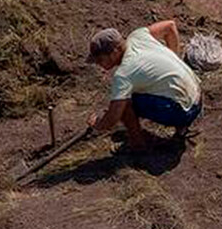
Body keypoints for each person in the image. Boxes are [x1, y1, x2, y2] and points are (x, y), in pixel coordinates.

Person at [86, 21, 203, 150]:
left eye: (100, 60)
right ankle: (181, 128)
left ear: (115, 52)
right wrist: (173, 61)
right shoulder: (138, 36)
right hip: (198, 96)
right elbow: (170, 26)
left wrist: (98, 123)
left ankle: (138, 145)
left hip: (183, 112)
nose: (98, 64)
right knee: (131, 94)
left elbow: (113, 118)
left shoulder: (124, 74)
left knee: (124, 103)